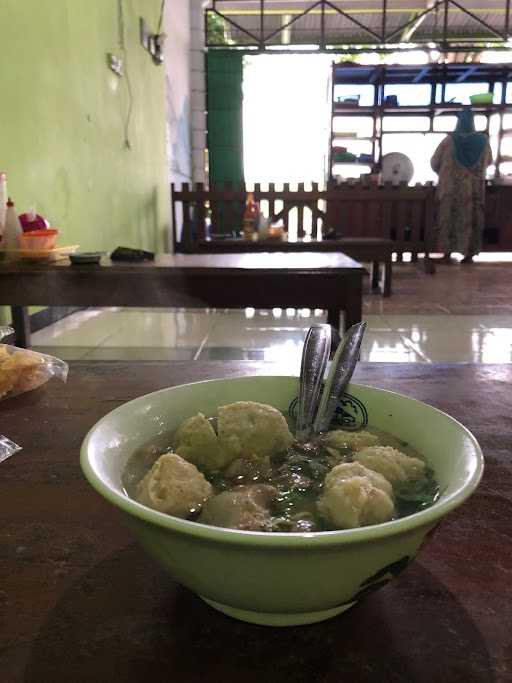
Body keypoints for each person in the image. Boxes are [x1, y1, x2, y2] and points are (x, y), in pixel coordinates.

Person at [430, 107, 492, 264]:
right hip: (473, 191)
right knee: (470, 220)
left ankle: (446, 253)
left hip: (450, 189)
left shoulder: (449, 141)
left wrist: (446, 174)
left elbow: (434, 162)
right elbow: (489, 162)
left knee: (448, 219)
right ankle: (469, 254)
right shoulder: (483, 142)